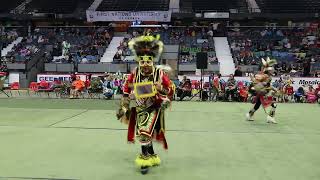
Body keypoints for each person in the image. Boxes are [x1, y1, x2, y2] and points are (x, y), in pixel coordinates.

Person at [116, 33, 174, 174]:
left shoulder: (159, 74)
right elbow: (126, 89)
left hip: (154, 108)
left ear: (152, 61)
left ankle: (145, 160)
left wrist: (161, 89)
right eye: (143, 62)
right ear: (139, 62)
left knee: (144, 133)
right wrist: (125, 105)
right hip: (140, 108)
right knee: (145, 133)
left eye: (149, 62)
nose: (146, 65)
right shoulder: (135, 74)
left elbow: (171, 89)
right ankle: (152, 155)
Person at [246, 57, 278, 124]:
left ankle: (249, 115)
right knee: (274, 104)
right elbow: (264, 85)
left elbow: (262, 84)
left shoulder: (264, 76)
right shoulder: (267, 77)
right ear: (269, 70)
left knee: (257, 105)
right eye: (272, 70)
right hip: (263, 94)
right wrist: (273, 89)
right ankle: (270, 118)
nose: (273, 70)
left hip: (261, 93)